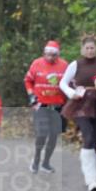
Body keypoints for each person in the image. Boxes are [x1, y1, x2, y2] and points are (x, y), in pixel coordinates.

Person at [60, 35, 96, 191]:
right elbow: (63, 82)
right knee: (88, 137)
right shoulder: (75, 64)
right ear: (82, 49)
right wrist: (71, 93)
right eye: (87, 48)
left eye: (92, 48)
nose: (90, 51)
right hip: (81, 104)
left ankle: (90, 164)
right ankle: (91, 179)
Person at [23, 40, 68, 173]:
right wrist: (31, 95)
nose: (49, 58)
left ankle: (46, 163)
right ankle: (36, 160)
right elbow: (28, 80)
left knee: (54, 136)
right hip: (40, 104)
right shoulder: (37, 63)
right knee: (42, 134)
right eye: (47, 54)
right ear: (44, 53)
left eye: (53, 55)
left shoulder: (64, 65)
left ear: (57, 55)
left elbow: (70, 83)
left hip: (57, 105)